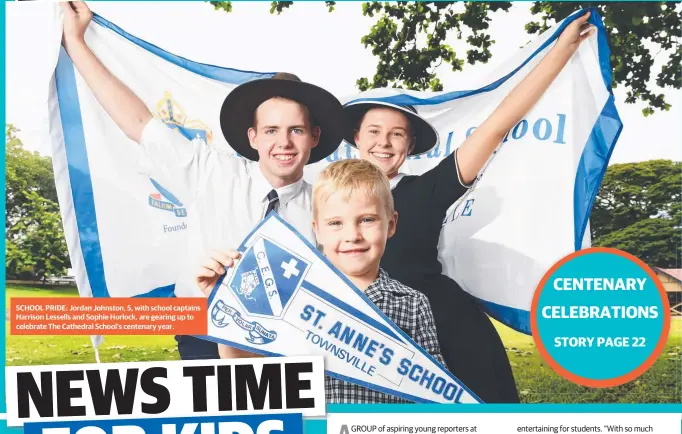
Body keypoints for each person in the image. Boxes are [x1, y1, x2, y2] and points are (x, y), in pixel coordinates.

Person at [60, 1, 344, 360]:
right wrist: (76, 42)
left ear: (315, 137)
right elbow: (137, 122)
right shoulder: (209, 171)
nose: (283, 142)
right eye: (271, 130)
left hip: (287, 344)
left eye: (296, 130)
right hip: (202, 333)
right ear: (253, 137)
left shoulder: (326, 205)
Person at [342, 12, 595, 403]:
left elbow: (496, 127)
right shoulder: (329, 199)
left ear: (409, 146)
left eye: (397, 134)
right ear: (357, 137)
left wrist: (562, 50)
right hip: (372, 337)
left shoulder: (427, 188)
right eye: (374, 131)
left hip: (449, 329)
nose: (384, 142)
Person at [197, 159, 448, 403]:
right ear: (317, 229)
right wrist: (226, 301)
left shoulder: (413, 305)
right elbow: (249, 376)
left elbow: (438, 396)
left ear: (391, 224)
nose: (352, 235)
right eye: (336, 223)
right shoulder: (290, 297)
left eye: (367, 220)